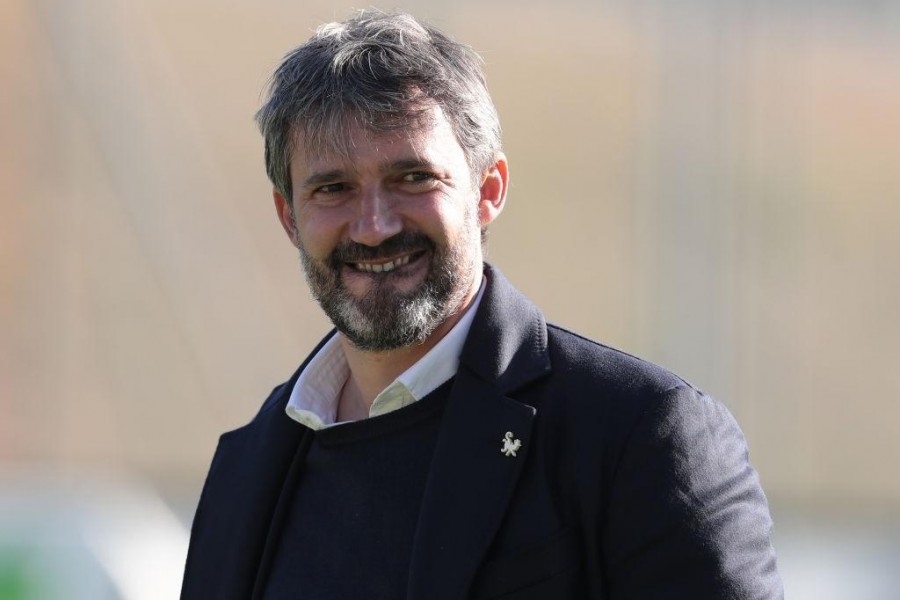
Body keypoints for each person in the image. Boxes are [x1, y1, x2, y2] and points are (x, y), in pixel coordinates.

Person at [181, 9, 782, 599]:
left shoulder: (641, 437)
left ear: (487, 190)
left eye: (413, 178)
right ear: (290, 217)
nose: (373, 226)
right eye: (333, 188)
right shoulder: (246, 467)